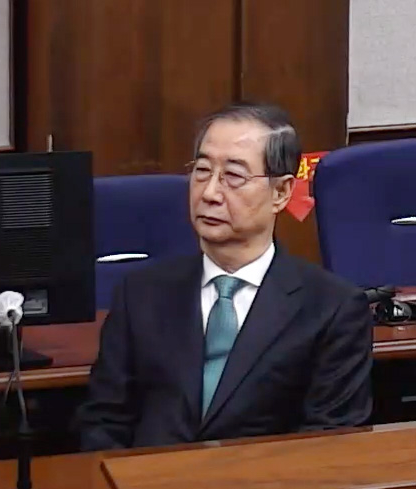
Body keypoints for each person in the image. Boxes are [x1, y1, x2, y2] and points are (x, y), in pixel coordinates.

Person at [78, 102, 372, 451]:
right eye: (202, 171)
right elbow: (103, 421)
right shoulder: (140, 293)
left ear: (280, 192)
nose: (209, 193)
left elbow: (329, 442)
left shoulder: (332, 308)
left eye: (233, 176)